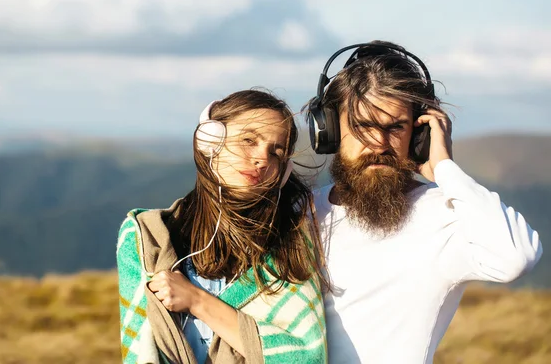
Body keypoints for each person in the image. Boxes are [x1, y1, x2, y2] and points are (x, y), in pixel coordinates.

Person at [305, 41, 543, 363]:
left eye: (395, 128)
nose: (379, 143)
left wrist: (444, 169)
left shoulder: (441, 214)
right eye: (363, 126)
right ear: (329, 129)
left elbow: (516, 256)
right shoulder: (302, 213)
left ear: (418, 135)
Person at [117, 89, 327, 364]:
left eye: (276, 153)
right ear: (210, 141)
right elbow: (139, 353)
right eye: (248, 140)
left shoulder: (291, 247)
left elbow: (306, 358)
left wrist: (197, 301)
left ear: (283, 172)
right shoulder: (147, 238)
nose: (262, 159)